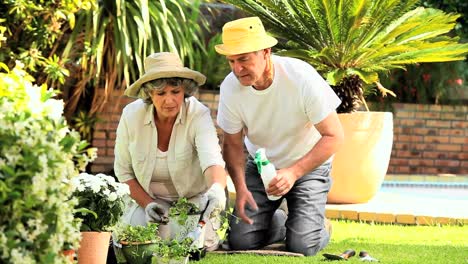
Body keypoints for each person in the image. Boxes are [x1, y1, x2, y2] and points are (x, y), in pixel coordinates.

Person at [214, 17, 344, 256]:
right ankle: (279, 219)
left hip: (308, 167)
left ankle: (317, 227)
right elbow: (231, 145)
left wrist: (294, 172)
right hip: (261, 166)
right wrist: (241, 187)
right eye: (231, 61)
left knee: (302, 246)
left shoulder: (301, 77)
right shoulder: (230, 88)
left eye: (243, 59)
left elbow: (334, 136)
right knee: (240, 241)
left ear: (266, 52)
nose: (237, 69)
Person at [114, 52, 227, 251]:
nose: (169, 100)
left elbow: (212, 161)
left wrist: (216, 189)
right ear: (149, 94)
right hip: (148, 200)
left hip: (191, 201)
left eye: (175, 91)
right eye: (161, 94)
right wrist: (148, 204)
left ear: (185, 90)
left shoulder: (198, 114)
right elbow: (124, 172)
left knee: (191, 242)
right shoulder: (131, 116)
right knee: (137, 240)